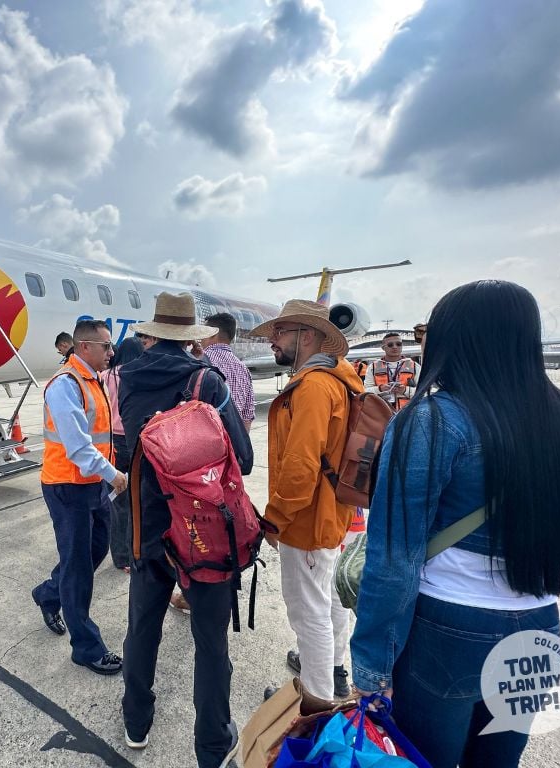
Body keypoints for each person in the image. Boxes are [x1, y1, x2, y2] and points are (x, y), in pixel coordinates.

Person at [351, 280, 560, 767]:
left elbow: (393, 559)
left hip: (448, 630)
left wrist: (371, 662)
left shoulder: (432, 420)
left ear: (454, 339)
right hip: (538, 627)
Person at [119, 291, 252, 768]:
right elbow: (247, 460)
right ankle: (213, 744)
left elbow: (128, 452)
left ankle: (137, 721)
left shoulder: (126, 378)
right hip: (203, 534)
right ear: (191, 335)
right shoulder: (207, 381)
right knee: (210, 642)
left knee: (142, 628)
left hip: (149, 526)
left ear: (153, 333)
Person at [249, 299, 364, 702]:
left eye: (280, 332)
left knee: (307, 610)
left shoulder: (314, 386)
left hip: (307, 519)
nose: (273, 341)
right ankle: (331, 673)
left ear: (308, 335)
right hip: (332, 511)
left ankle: (316, 702)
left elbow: (300, 467)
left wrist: (274, 518)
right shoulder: (339, 379)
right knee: (329, 600)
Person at [32, 320, 128, 676]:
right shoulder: (65, 385)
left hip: (92, 485)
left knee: (94, 551)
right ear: (84, 347)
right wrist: (114, 476)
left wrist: (106, 477)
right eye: (106, 346)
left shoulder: (93, 380)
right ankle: (86, 647)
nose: (111, 352)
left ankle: (48, 593)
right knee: (78, 567)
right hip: (67, 487)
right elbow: (77, 446)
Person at [102, 336, 145, 572]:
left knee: (118, 501)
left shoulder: (106, 376)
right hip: (136, 439)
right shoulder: (140, 374)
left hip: (113, 442)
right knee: (140, 498)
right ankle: (138, 548)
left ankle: (120, 557)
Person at [202, 312, 256, 432]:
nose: (201, 339)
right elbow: (247, 418)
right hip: (234, 443)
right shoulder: (243, 369)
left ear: (213, 334)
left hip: (207, 443)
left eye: (204, 333)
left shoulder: (201, 363)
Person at [364, 332, 419, 411]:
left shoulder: (414, 366)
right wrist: (380, 389)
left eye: (398, 344)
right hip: (381, 413)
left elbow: (424, 391)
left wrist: (405, 390)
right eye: (390, 345)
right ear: (383, 348)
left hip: (408, 413)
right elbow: (365, 391)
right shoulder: (372, 367)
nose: (395, 347)